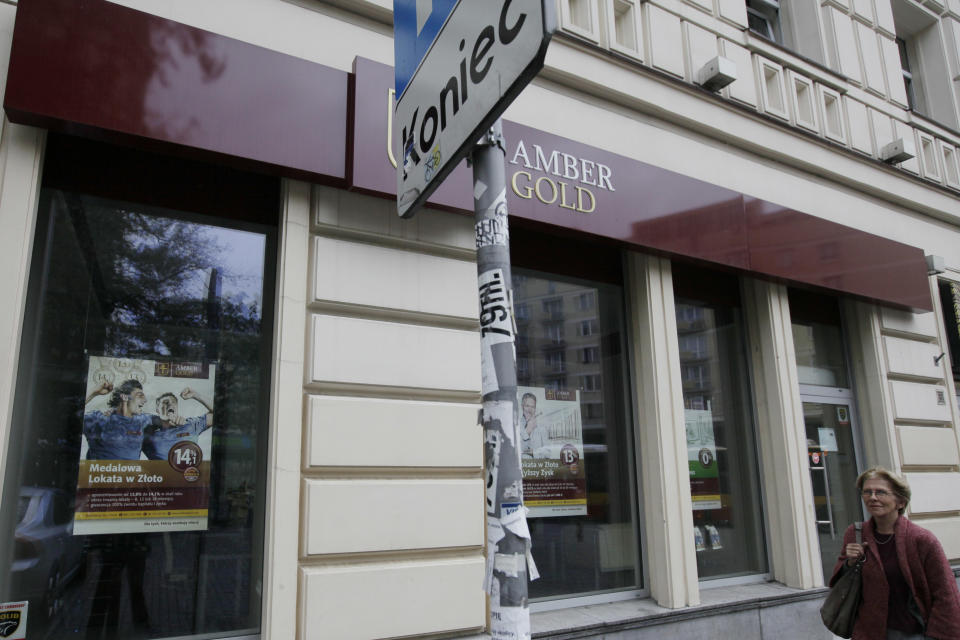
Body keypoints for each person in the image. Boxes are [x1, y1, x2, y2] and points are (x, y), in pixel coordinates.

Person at [831, 466, 960, 639]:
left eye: (881, 492)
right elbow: (840, 583)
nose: (873, 497)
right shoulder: (855, 534)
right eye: (867, 492)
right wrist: (849, 563)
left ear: (900, 502)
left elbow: (945, 593)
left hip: (913, 634)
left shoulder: (921, 540)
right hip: (869, 633)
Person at [83, 379, 161, 460]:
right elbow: (71, 416)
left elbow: (169, 421)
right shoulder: (97, 419)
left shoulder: (143, 420)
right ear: (124, 397)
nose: (145, 400)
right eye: (140, 396)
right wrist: (94, 392)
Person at [141, 387, 213, 461]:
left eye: (173, 402)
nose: (170, 405)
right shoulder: (148, 435)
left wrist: (196, 395)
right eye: (165, 402)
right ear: (157, 409)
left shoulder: (190, 425)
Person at [519, 392, 547, 457]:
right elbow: (516, 451)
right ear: (522, 407)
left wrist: (533, 452)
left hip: (538, 466)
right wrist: (527, 431)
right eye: (527, 406)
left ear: (535, 409)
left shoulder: (542, 428)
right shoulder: (516, 426)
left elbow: (548, 452)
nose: (530, 410)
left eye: (533, 407)